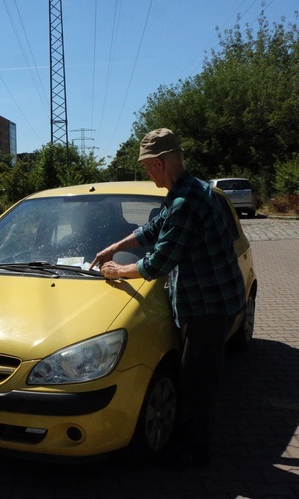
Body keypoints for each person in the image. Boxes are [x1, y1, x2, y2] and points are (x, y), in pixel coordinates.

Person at [89, 128, 246, 469]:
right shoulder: (188, 190)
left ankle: (194, 451)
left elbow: (159, 262)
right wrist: (116, 246)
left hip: (209, 306)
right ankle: (190, 440)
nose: (146, 172)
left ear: (160, 163)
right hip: (209, 299)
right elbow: (154, 228)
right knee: (195, 376)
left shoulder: (186, 202)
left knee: (198, 381)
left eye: (146, 166)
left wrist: (118, 271)